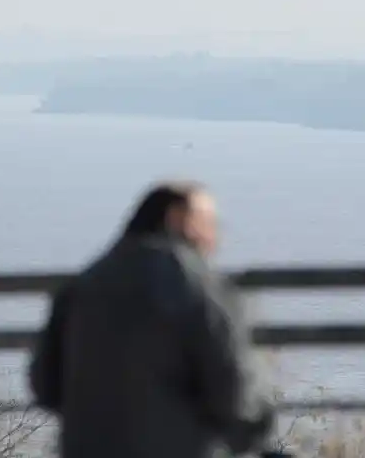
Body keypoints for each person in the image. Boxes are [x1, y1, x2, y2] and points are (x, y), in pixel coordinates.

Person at [29, 180, 278, 458]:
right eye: (208, 222)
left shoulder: (83, 285)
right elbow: (233, 388)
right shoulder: (202, 288)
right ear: (176, 218)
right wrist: (254, 434)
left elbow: (44, 385)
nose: (215, 235)